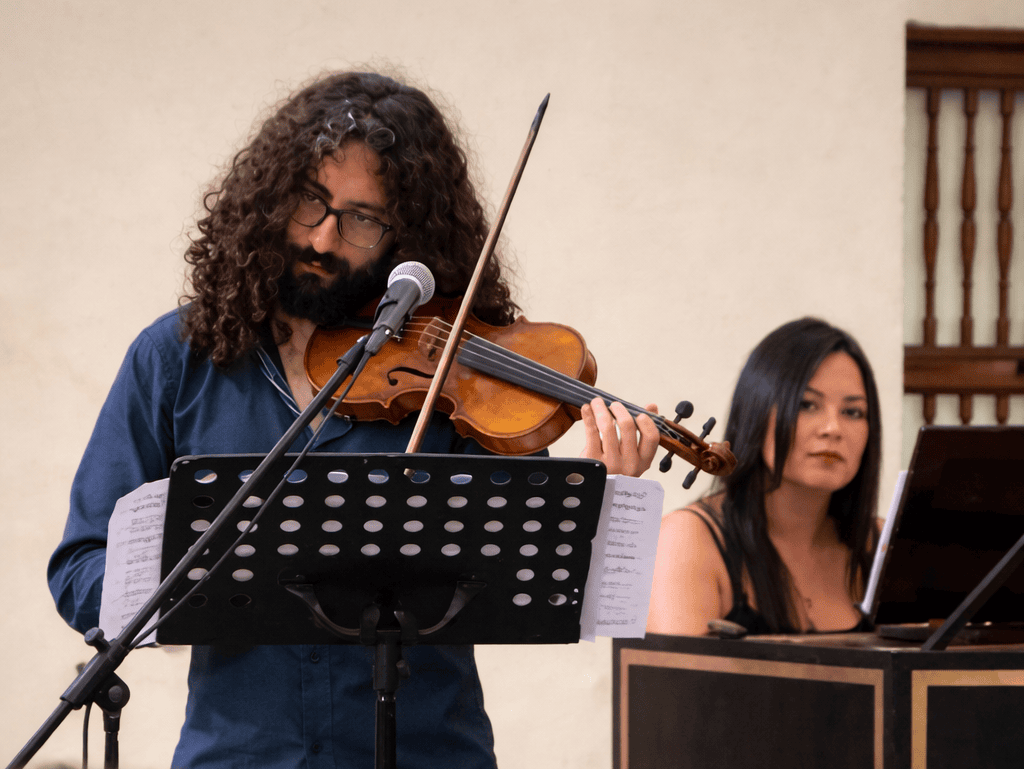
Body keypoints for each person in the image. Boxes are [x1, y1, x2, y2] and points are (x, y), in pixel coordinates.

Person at [47, 70, 660, 768]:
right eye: (310, 201)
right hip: (242, 755)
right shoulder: (176, 359)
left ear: (410, 239)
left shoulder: (464, 377)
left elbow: (543, 579)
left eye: (363, 218)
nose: (323, 236)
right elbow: (81, 565)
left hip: (429, 751)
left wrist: (605, 501)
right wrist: (187, 588)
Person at [646, 317, 881, 637]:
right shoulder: (688, 538)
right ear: (756, 412)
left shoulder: (881, 542)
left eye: (852, 412)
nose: (832, 428)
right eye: (806, 405)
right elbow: (676, 683)